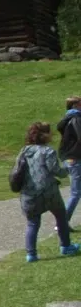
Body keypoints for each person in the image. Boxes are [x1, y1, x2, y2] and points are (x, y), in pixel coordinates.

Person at [16, 121, 81, 263]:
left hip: (28, 193)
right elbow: (57, 171)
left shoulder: (24, 151)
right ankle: (66, 246)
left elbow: (17, 170)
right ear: (44, 135)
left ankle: (31, 254)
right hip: (48, 192)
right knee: (61, 216)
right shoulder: (48, 151)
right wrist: (68, 168)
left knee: (33, 223)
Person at [56, 96, 81, 226]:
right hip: (75, 158)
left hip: (68, 157)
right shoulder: (76, 119)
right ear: (75, 105)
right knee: (75, 193)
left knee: (76, 192)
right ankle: (62, 223)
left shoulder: (67, 119)